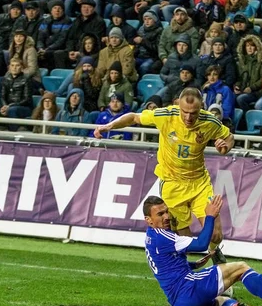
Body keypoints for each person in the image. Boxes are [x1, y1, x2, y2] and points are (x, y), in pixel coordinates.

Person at [93, 87, 235, 266]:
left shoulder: (209, 122)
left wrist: (225, 146)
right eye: (185, 112)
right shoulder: (166, 116)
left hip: (199, 183)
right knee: (187, 241)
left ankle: (217, 262)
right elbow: (134, 117)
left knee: (216, 233)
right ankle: (188, 279)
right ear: (178, 106)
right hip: (172, 184)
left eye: (194, 113)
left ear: (202, 108)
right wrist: (110, 126)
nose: (188, 117)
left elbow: (228, 137)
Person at [143, 194, 262, 306]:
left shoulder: (150, 239)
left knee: (221, 300)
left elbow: (165, 268)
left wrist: (194, 264)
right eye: (160, 214)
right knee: (241, 268)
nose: (166, 217)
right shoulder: (164, 237)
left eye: (166, 212)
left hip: (180, 303)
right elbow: (202, 244)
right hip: (190, 288)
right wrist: (210, 215)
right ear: (148, 219)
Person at [55, 0, 106, 69]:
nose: (86, 9)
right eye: (84, 7)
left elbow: (95, 42)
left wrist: (80, 52)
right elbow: (70, 38)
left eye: (89, 7)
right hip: (74, 50)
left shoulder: (99, 22)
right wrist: (70, 51)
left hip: (88, 52)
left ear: (94, 9)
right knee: (58, 54)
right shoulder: (77, 20)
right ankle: (64, 74)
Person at [235, 34, 262, 115]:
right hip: (244, 90)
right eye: (247, 46)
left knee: (241, 99)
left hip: (258, 92)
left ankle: (249, 118)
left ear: (256, 47)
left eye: (252, 46)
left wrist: (251, 88)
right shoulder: (243, 61)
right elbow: (240, 77)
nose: (249, 48)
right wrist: (237, 86)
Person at [36, 0, 73, 70]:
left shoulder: (67, 21)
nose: (57, 10)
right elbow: (40, 38)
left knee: (49, 54)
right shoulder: (46, 21)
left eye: (60, 8)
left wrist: (47, 49)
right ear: (51, 10)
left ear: (63, 10)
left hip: (59, 48)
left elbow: (62, 40)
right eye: (55, 8)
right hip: (45, 48)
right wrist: (40, 48)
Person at [0, 56, 33, 125]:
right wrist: (4, 106)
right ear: (9, 67)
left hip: (24, 107)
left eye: (17, 65)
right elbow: (2, 96)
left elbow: (27, 99)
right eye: (12, 65)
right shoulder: (6, 78)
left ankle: (13, 132)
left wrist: (10, 106)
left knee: (12, 110)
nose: (14, 68)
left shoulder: (26, 79)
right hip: (8, 106)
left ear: (22, 67)